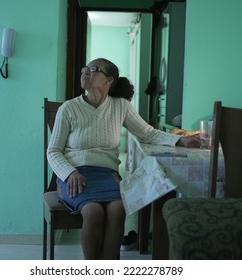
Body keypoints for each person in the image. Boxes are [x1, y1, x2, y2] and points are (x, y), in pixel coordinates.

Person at [47, 58, 200, 259]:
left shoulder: (121, 106)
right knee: (93, 212)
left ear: (109, 80)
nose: (85, 72)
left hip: (106, 173)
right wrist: (70, 173)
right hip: (74, 174)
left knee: (118, 209)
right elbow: (53, 151)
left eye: (93, 69)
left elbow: (148, 133)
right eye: (85, 68)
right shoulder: (68, 108)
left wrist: (180, 141)